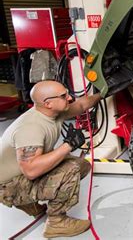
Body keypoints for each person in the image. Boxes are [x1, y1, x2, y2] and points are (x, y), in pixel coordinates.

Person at [0, 80, 101, 238]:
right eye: (63, 96)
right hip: (7, 186)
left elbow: (81, 105)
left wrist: (102, 93)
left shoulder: (53, 112)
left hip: (18, 175)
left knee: (82, 165)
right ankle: (56, 222)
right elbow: (31, 171)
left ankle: (30, 204)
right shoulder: (31, 128)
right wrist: (68, 145)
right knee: (71, 168)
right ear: (48, 103)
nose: (69, 98)